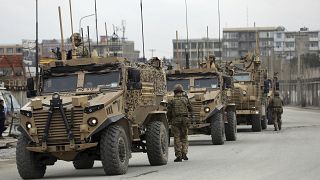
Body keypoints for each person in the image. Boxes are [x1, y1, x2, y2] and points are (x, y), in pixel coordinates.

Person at [167, 84, 193, 162]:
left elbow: (169, 112)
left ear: (174, 92)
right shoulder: (186, 100)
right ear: (182, 91)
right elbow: (191, 109)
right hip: (185, 120)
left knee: (177, 138)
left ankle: (178, 155)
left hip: (175, 120)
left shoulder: (172, 101)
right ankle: (184, 153)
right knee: (184, 137)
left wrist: (169, 120)